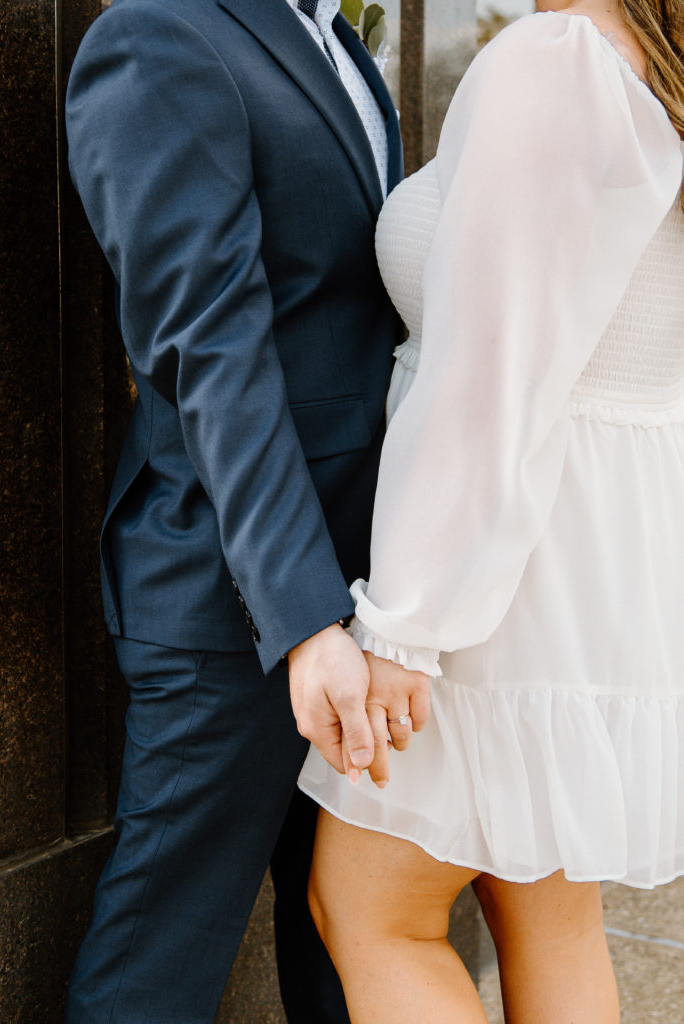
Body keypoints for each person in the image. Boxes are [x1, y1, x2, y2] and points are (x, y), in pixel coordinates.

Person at [299, 0, 684, 1020]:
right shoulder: (643, 62)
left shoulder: (554, 63)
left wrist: (404, 627)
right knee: (549, 919)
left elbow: (488, 378)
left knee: (371, 910)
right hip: (589, 569)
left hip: (497, 584)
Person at [63, 1, 403, 1021]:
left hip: (363, 588)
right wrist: (303, 618)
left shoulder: (335, 39)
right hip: (231, 597)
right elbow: (208, 348)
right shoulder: (156, 38)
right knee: (159, 959)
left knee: (341, 941)